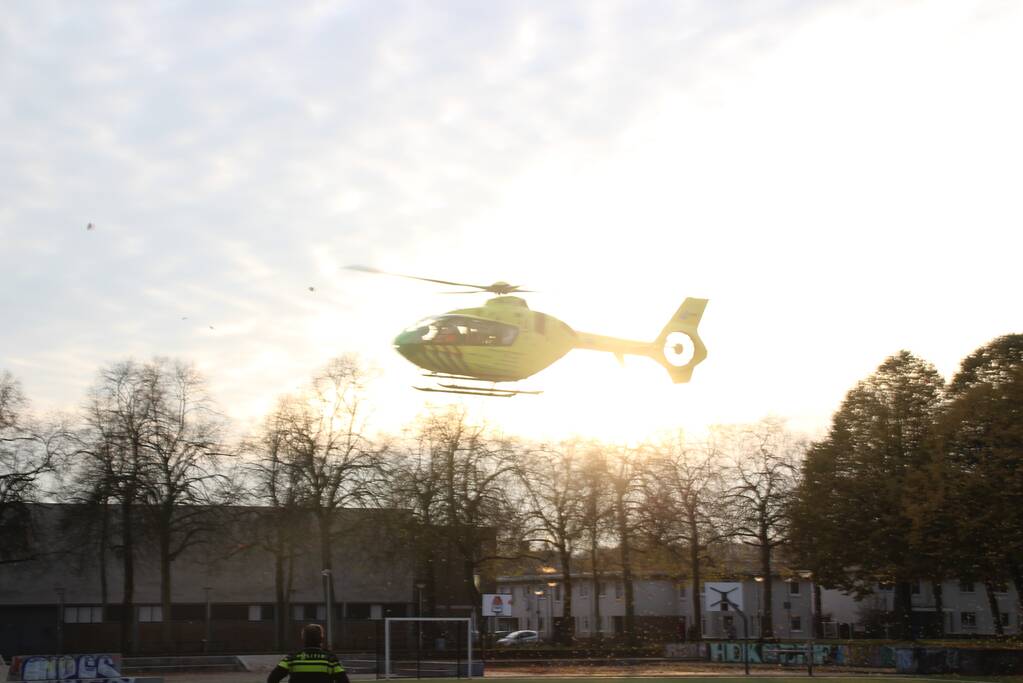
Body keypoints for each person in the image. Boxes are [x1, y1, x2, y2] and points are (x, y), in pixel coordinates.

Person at [267, 624, 349, 683]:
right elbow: (344, 680)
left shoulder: (292, 658)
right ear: (321, 638)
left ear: (303, 638)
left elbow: (272, 679)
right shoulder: (330, 658)